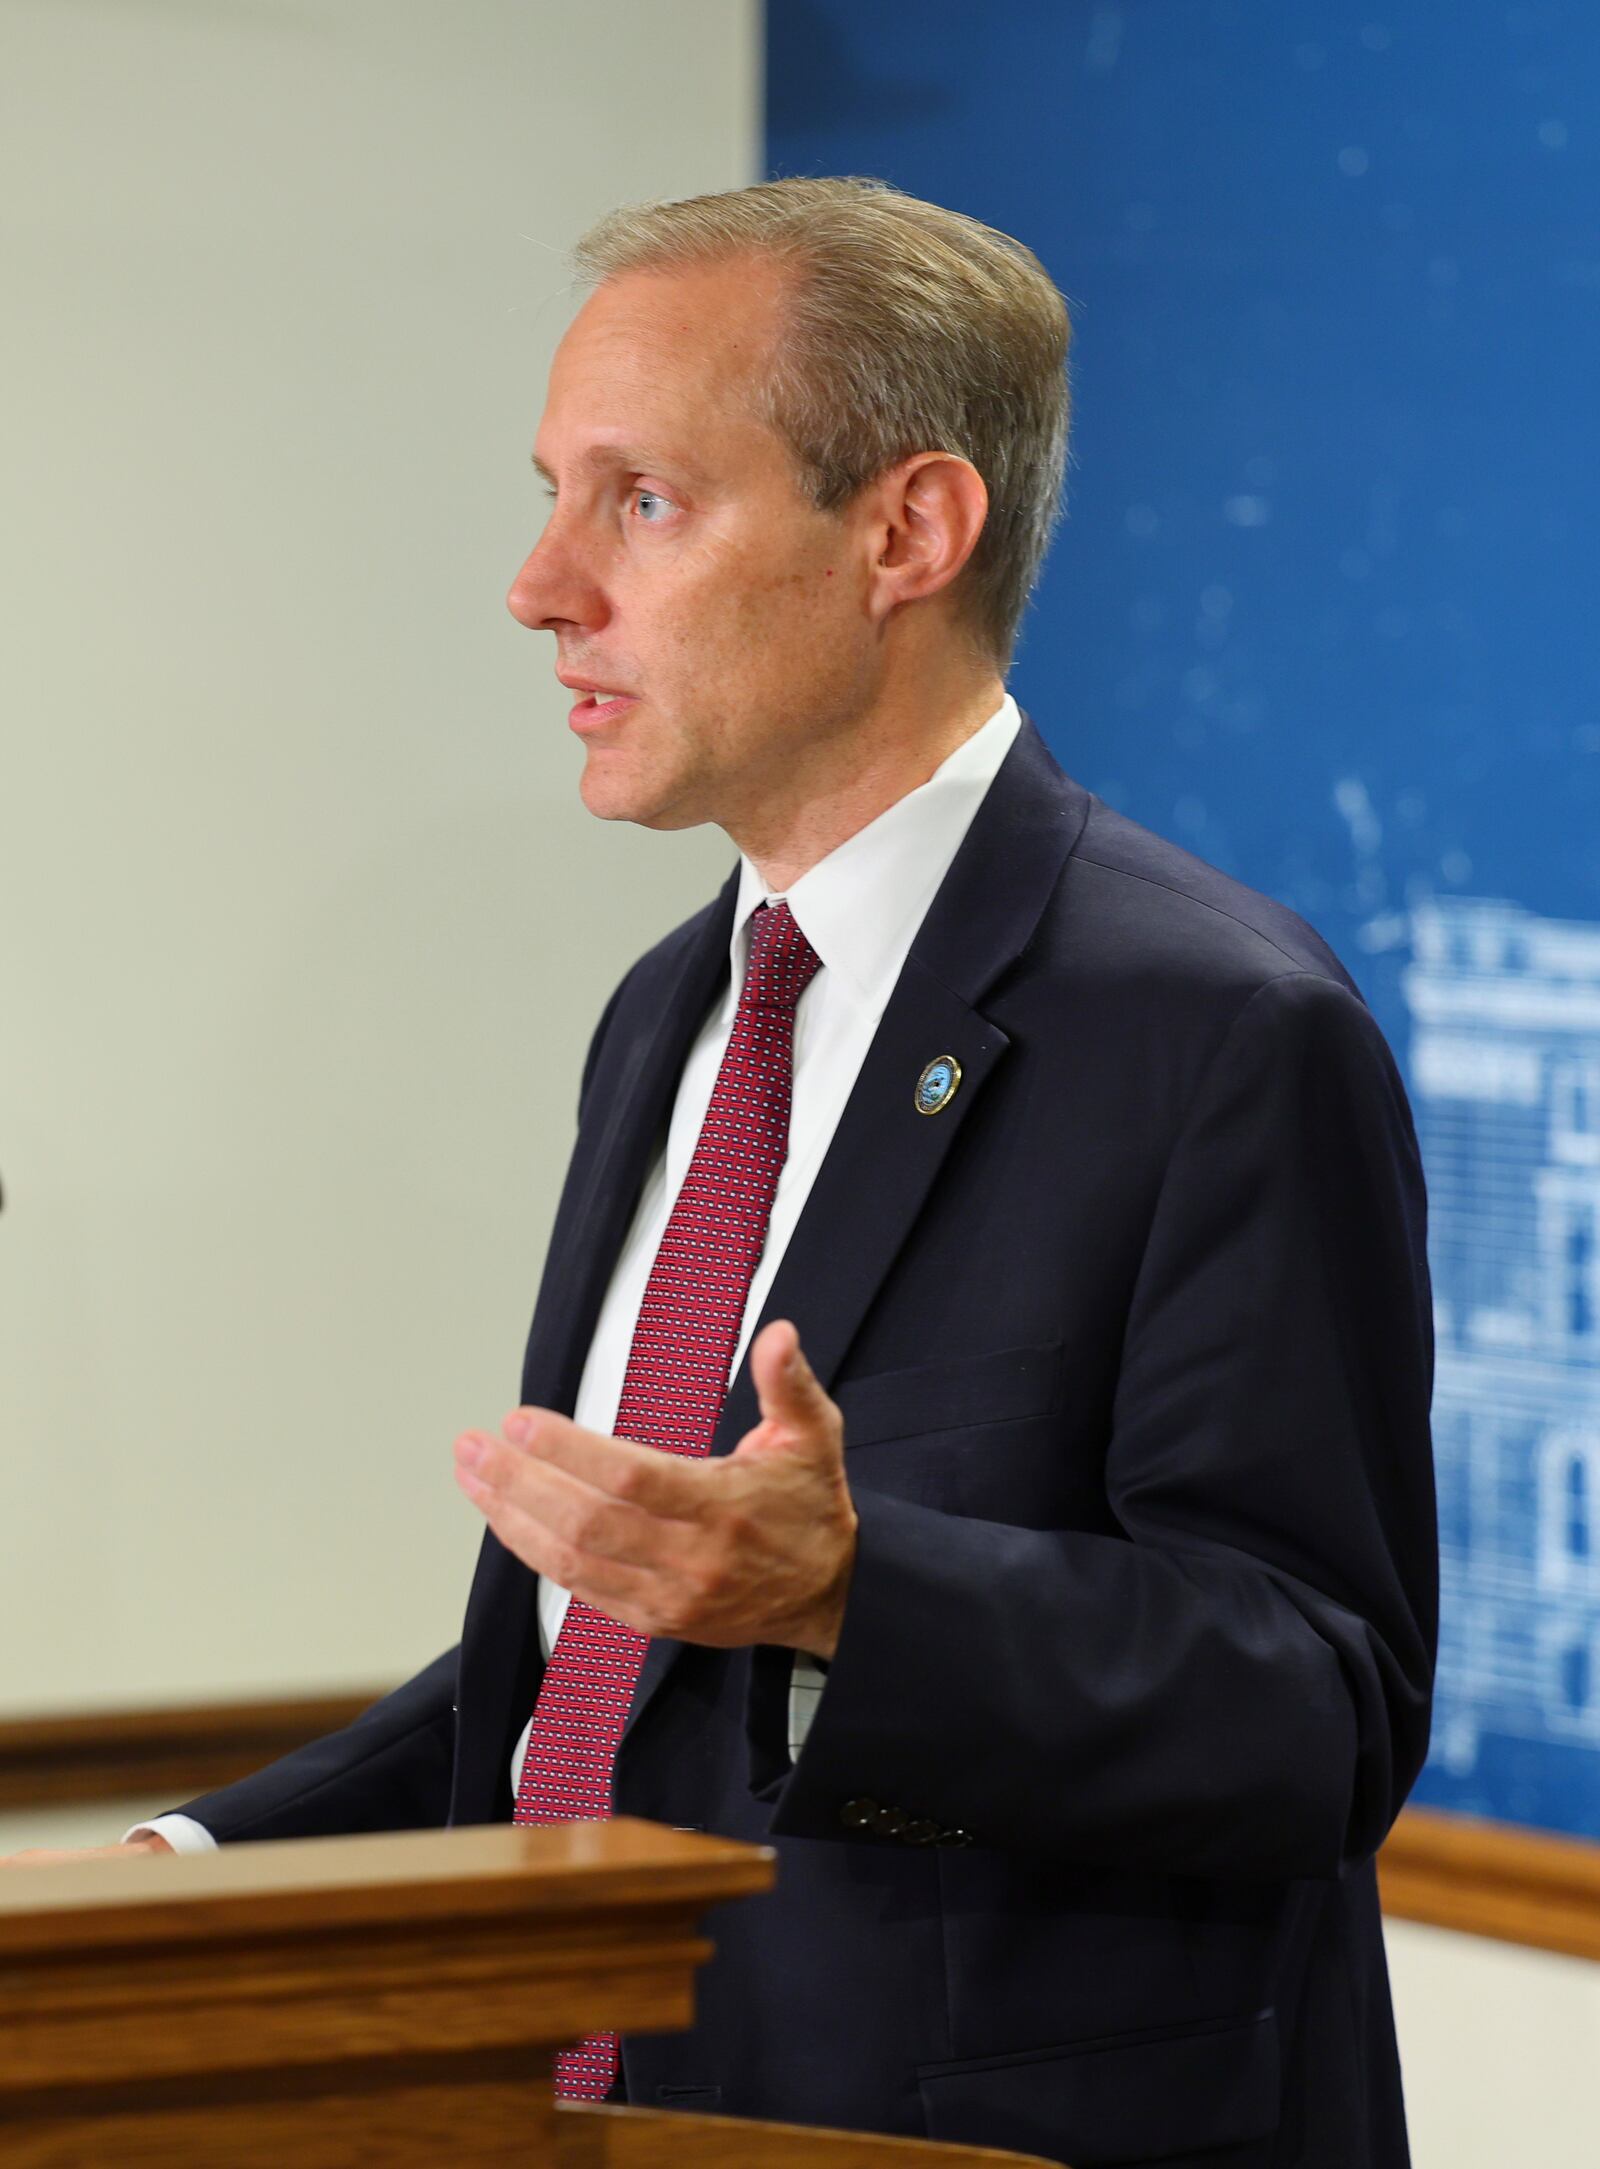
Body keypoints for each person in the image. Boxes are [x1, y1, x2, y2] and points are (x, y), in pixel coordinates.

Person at [6, 179, 1436, 2169]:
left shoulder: (1219, 1027)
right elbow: (609, 1654)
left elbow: (1319, 1706)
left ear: (904, 533)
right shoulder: (669, 1013)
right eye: (549, 493)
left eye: (639, 501)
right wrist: (181, 1863)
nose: (537, 583)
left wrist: (863, 1592)